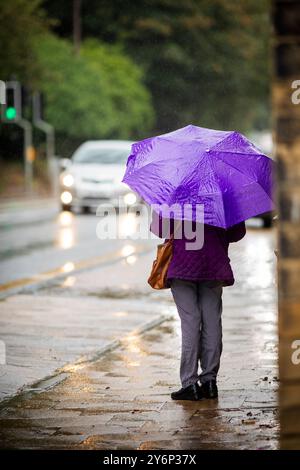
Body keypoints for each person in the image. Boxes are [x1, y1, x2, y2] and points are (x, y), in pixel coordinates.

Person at [150, 211, 246, 401]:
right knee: (212, 321)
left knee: (190, 322)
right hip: (214, 265)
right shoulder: (224, 192)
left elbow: (159, 228)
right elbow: (237, 233)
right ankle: (210, 382)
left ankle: (190, 383)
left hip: (183, 266)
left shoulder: (175, 192)